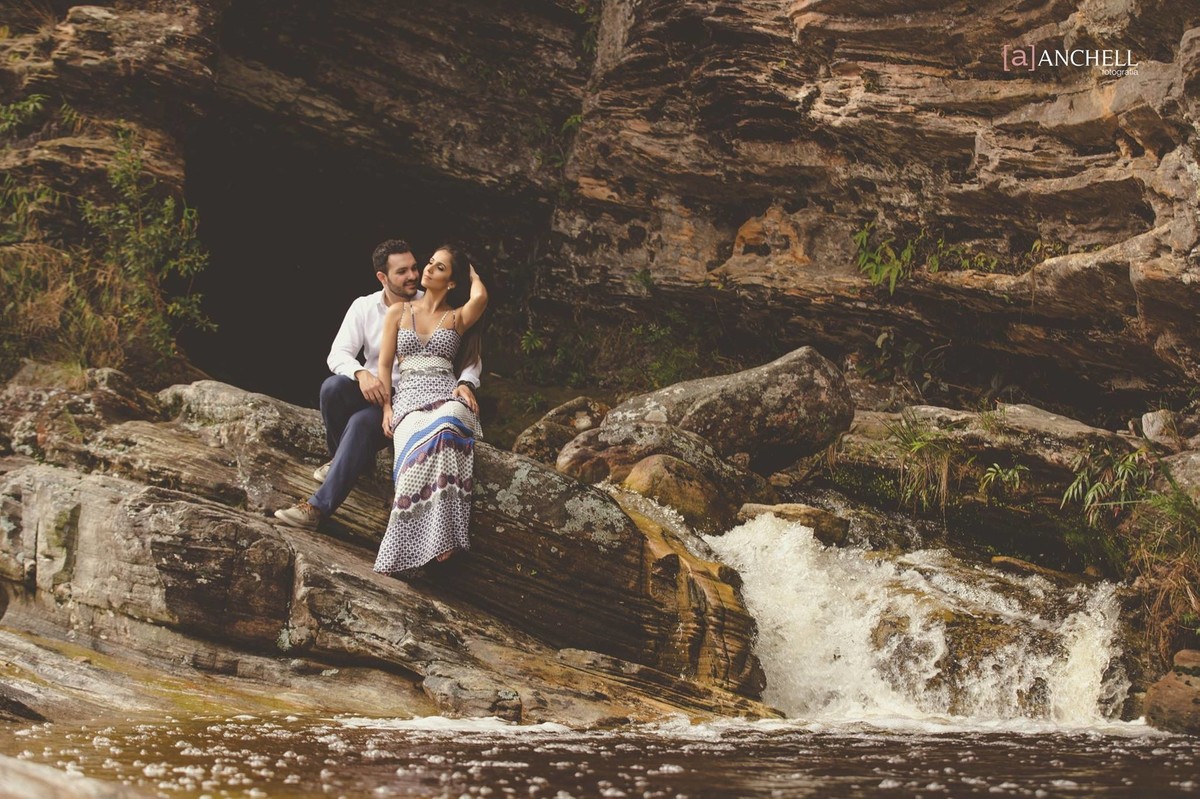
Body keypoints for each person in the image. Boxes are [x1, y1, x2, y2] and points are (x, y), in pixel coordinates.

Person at [273, 239, 481, 530]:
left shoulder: (433, 299)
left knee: (360, 423)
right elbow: (338, 354)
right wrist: (361, 374)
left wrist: (466, 383)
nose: (412, 276)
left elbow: (469, 354)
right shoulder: (365, 307)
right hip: (374, 389)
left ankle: (316, 509)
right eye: (401, 272)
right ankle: (346, 460)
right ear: (382, 277)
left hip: (410, 399)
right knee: (332, 388)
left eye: (413, 267)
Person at [374, 244, 486, 573]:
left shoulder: (456, 317)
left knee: (450, 423)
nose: (427, 269)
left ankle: (444, 535)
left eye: (439, 268)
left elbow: (479, 297)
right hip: (408, 399)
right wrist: (386, 408)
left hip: (446, 393)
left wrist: (472, 272)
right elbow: (383, 366)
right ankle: (408, 546)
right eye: (430, 263)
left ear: (451, 282)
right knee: (413, 456)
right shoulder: (399, 311)